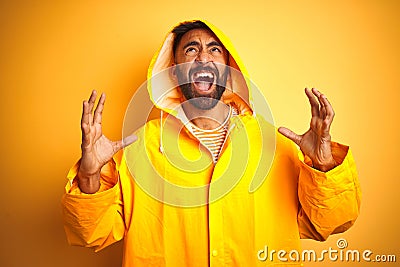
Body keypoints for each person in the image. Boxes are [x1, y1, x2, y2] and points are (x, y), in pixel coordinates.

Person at [62, 20, 361, 266]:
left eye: (214, 50)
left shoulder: (275, 146)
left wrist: (322, 164)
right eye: (191, 49)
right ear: (174, 69)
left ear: (228, 67)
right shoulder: (141, 148)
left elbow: (329, 223)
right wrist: (89, 175)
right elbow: (92, 234)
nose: (203, 58)